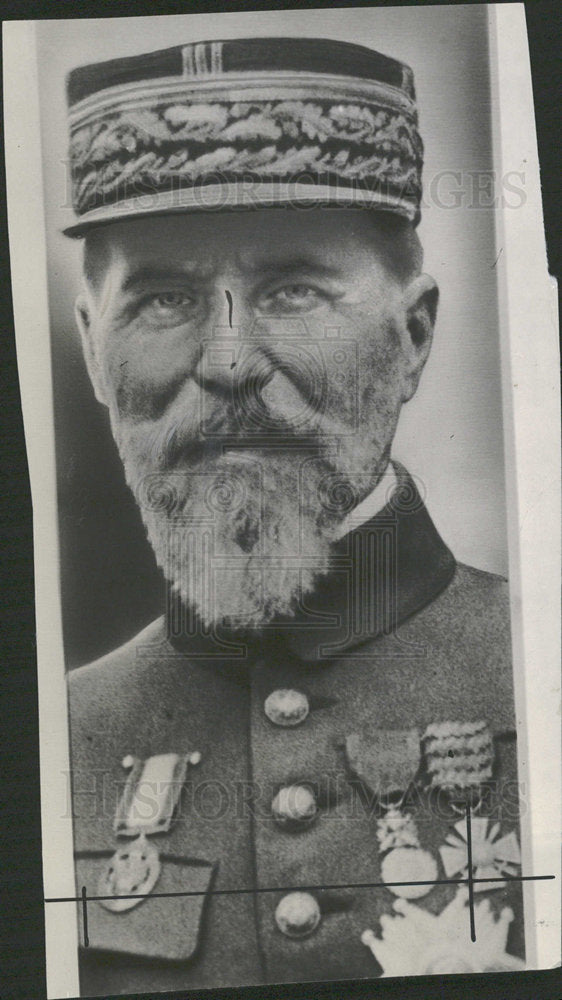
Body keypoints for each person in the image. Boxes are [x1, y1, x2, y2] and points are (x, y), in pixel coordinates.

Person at [65, 36, 524, 993]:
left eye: (293, 290)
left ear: (414, 335)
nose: (228, 362)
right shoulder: (51, 742)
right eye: (164, 300)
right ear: (89, 352)